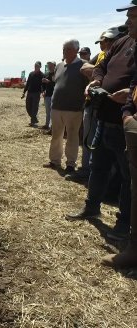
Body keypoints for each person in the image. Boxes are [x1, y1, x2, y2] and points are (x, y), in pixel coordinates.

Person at [66, 27, 136, 242]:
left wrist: (132, 95)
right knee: (99, 166)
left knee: (127, 178)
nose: (128, 21)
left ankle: (124, 224)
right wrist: (97, 80)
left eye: (133, 16)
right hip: (105, 118)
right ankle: (92, 207)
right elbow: (101, 66)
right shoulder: (123, 42)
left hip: (126, 124)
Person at [66, 26, 124, 183]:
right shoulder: (102, 55)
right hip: (93, 103)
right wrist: (104, 73)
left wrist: (101, 73)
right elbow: (84, 68)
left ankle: (109, 180)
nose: (104, 44)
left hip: (114, 108)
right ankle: (88, 171)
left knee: (109, 146)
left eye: (108, 41)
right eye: (103, 41)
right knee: (90, 140)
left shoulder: (124, 55)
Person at [103, 2, 137, 267]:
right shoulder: (130, 45)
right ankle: (133, 247)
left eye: (134, 16)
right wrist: (127, 113)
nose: (129, 21)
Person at [43, 39, 88, 173]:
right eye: (63, 49)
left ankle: (70, 163)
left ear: (76, 50)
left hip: (74, 108)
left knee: (72, 136)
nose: (64, 51)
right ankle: (55, 160)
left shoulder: (84, 65)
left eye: (67, 49)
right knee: (56, 135)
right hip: (56, 107)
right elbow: (56, 82)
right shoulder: (59, 66)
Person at [22, 61, 44, 127]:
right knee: (28, 107)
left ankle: (33, 122)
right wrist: (24, 92)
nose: (35, 67)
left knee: (34, 107)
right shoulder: (31, 74)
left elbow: (43, 85)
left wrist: (42, 91)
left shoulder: (42, 75)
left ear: (40, 67)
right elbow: (28, 83)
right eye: (35, 66)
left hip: (37, 93)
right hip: (30, 92)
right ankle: (34, 119)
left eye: (37, 66)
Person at [41, 61, 56, 130]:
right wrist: (43, 91)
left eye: (50, 65)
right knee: (48, 111)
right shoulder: (46, 74)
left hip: (55, 95)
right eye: (48, 65)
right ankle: (47, 125)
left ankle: (51, 127)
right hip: (47, 95)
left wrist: (49, 82)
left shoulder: (56, 74)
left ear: (54, 66)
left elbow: (57, 84)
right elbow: (43, 85)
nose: (49, 66)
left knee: (53, 112)